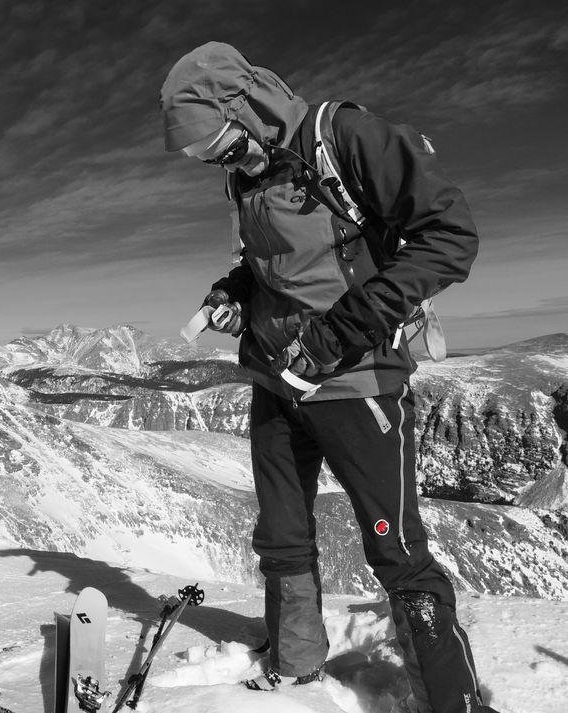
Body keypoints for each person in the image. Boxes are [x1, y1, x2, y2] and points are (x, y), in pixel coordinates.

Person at [160, 42, 496, 713]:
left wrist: (339, 333)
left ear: (247, 108)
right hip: (277, 379)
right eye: (211, 160)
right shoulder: (247, 179)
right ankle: (295, 666)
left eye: (227, 147)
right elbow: (275, 267)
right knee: (282, 537)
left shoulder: (344, 138)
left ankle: (454, 700)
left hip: (356, 384)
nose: (227, 166)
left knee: (397, 554)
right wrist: (235, 291)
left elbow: (450, 234)